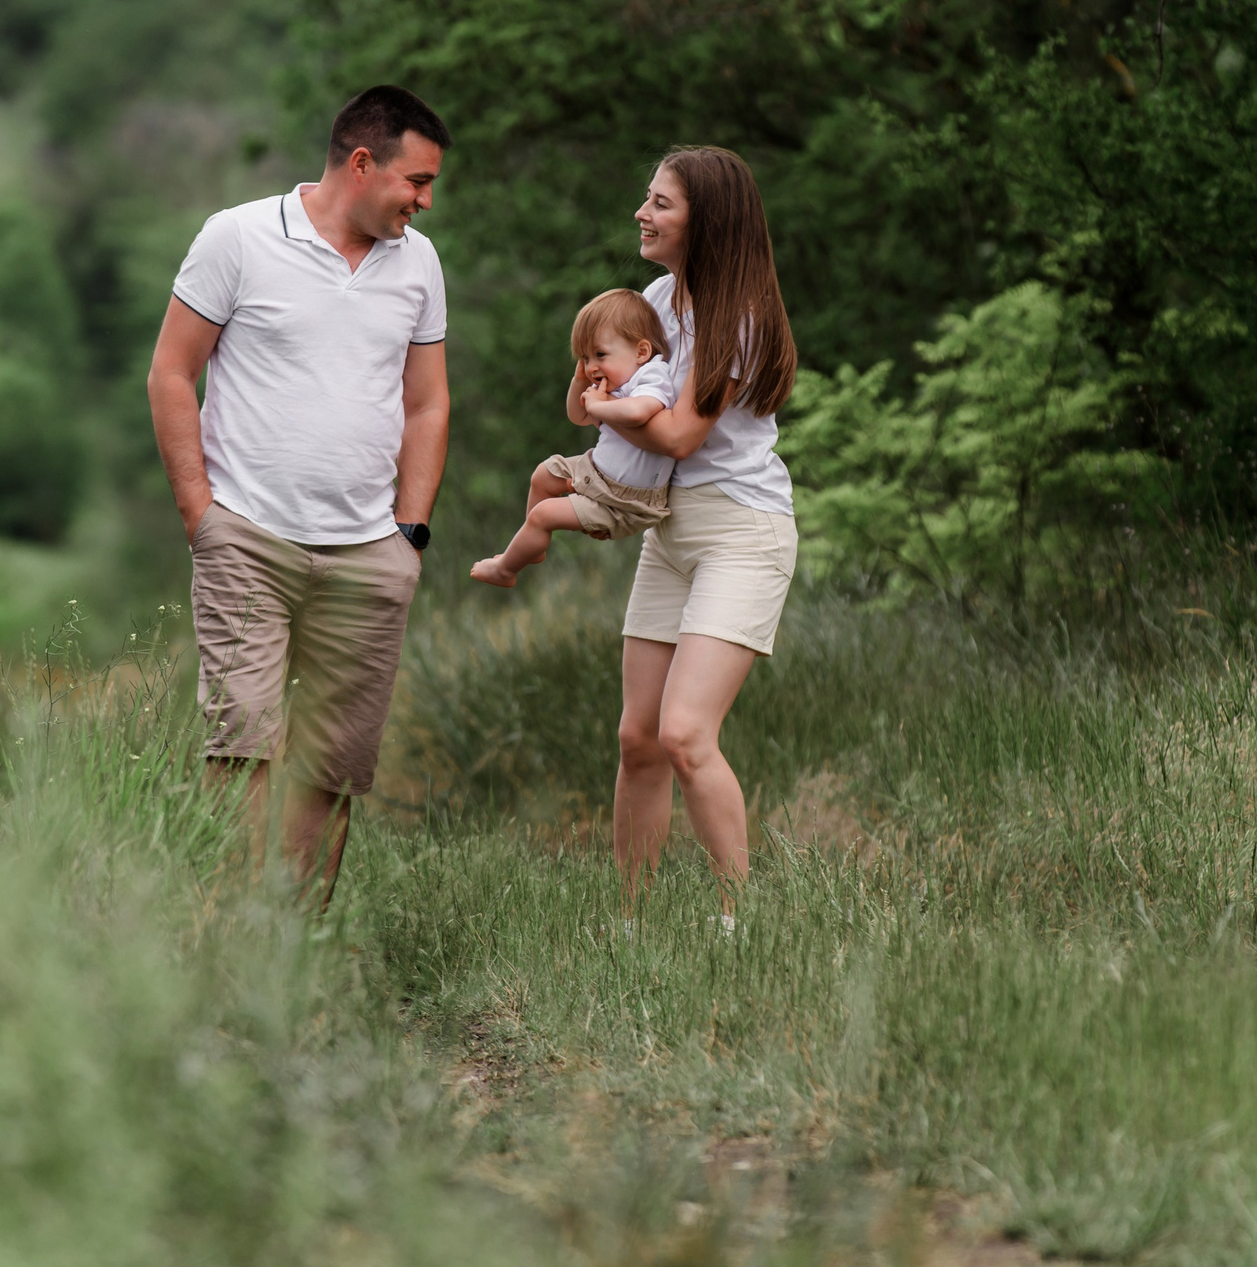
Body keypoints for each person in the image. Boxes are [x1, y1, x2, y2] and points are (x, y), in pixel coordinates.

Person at [144, 85, 450, 903]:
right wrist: (201, 515)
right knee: (241, 745)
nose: (423, 202)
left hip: (367, 554)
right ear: (361, 162)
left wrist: (409, 536)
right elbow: (172, 372)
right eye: (416, 181)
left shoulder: (418, 261)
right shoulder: (237, 238)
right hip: (246, 537)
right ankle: (223, 936)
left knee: (334, 763)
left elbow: (428, 402)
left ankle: (293, 947)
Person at [586, 147, 799, 924]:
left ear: (703, 221)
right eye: (646, 198)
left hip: (742, 532)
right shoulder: (655, 299)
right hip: (671, 531)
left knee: (684, 734)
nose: (642, 213)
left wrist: (603, 411)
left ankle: (738, 921)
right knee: (638, 736)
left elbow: (676, 435)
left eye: (660, 203)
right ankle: (633, 922)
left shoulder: (734, 315)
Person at [470, 289, 675, 588]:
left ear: (641, 352)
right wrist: (580, 382)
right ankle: (534, 542)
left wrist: (599, 405)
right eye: (585, 357)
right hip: (597, 472)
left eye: (600, 355)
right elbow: (577, 416)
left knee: (544, 514)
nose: (592, 366)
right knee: (543, 475)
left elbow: (640, 412)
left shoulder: (651, 376)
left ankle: (506, 568)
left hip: (626, 499)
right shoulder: (609, 384)